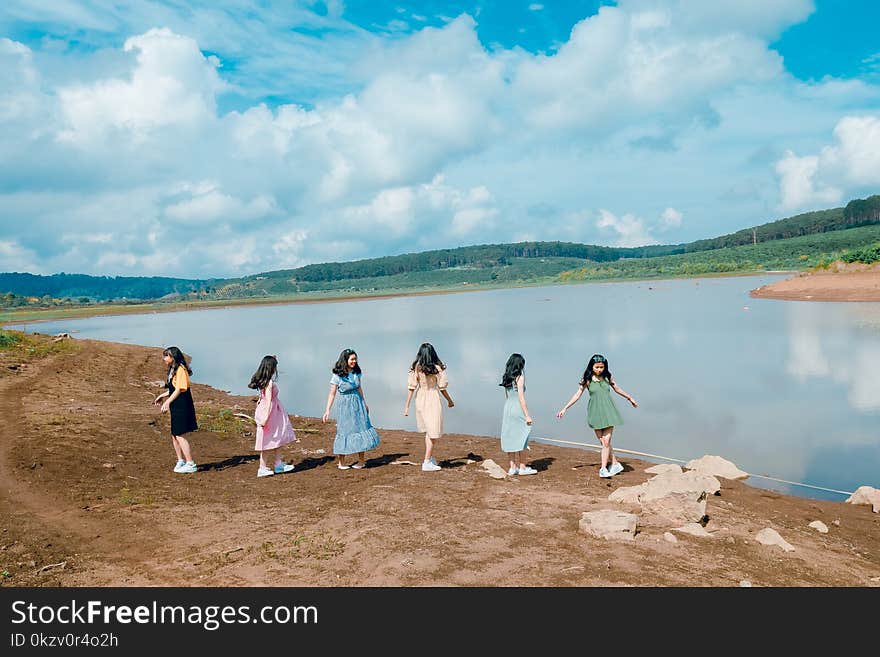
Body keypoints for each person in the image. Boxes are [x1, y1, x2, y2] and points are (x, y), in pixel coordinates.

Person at [556, 354, 637, 478]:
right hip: (595, 413)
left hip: (609, 412)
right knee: (603, 442)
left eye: (602, 367)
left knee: (606, 442)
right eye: (597, 367)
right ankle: (615, 463)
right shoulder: (587, 379)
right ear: (592, 366)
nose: (600, 369)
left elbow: (617, 389)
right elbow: (577, 395)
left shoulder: (607, 377)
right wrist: (565, 408)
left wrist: (629, 398)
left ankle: (603, 468)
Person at [322, 349, 380, 469]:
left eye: (355, 359)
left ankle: (361, 461)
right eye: (352, 359)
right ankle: (341, 462)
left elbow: (359, 388)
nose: (354, 361)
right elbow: (332, 394)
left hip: (358, 403)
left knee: (360, 428)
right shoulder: (337, 375)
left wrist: (364, 403)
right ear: (345, 360)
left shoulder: (356, 372)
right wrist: (327, 410)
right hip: (345, 405)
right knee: (344, 430)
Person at [403, 342, 454, 472]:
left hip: (420, 398)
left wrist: (407, 406)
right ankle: (426, 461)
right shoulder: (437, 368)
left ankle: (429, 458)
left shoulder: (417, 367)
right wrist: (449, 400)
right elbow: (442, 388)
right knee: (433, 431)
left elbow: (411, 388)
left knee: (429, 430)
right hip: (432, 398)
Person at [247, 355, 297, 478]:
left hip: (272, 411)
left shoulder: (263, 380)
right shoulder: (268, 382)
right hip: (271, 413)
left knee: (277, 437)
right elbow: (268, 400)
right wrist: (265, 418)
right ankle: (262, 467)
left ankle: (278, 463)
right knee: (269, 439)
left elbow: (262, 398)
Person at [153, 346, 198, 474]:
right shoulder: (173, 369)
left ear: (173, 357)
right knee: (174, 434)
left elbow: (179, 389)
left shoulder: (181, 370)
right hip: (176, 405)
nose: (164, 358)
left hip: (182, 406)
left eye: (166, 356)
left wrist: (167, 402)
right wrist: (162, 396)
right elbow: (173, 389)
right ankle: (181, 460)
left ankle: (190, 463)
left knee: (179, 434)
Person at [499, 353, 536, 476]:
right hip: (517, 408)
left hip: (508, 407)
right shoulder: (519, 376)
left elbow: (507, 395)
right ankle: (523, 467)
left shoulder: (506, 376)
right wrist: (527, 415)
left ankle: (512, 467)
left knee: (510, 437)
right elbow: (521, 397)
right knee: (523, 438)